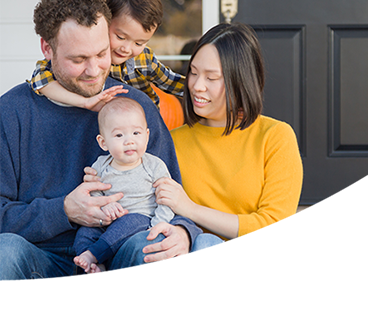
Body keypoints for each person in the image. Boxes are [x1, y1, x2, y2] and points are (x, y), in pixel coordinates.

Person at [0, 0, 201, 325]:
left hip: (121, 250)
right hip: (40, 258)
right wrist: (64, 210)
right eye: (78, 59)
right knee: (5, 251)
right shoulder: (11, 113)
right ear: (47, 48)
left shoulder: (134, 106)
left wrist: (182, 230)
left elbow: (172, 194)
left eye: (101, 54)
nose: (94, 70)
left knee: (149, 246)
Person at [150, 23, 303, 330]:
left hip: (257, 287)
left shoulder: (275, 137)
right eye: (193, 72)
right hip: (185, 288)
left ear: (239, 80)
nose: (196, 85)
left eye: (212, 77)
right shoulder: (172, 142)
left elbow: (273, 228)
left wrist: (190, 209)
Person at [73, 97, 175, 273]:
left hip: (140, 221)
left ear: (147, 135)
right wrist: (105, 205)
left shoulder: (154, 165)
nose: (129, 141)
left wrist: (158, 225)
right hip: (106, 222)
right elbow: (94, 193)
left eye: (136, 133)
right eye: (119, 135)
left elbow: (167, 199)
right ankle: (92, 265)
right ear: (103, 142)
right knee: (84, 233)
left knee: (129, 222)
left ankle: (94, 255)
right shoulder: (100, 165)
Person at [28, 0, 184, 111]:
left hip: (141, 124)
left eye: (139, 43)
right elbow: (40, 80)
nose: (127, 49)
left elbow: (173, 83)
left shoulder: (144, 60)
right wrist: (84, 102)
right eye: (121, 37)